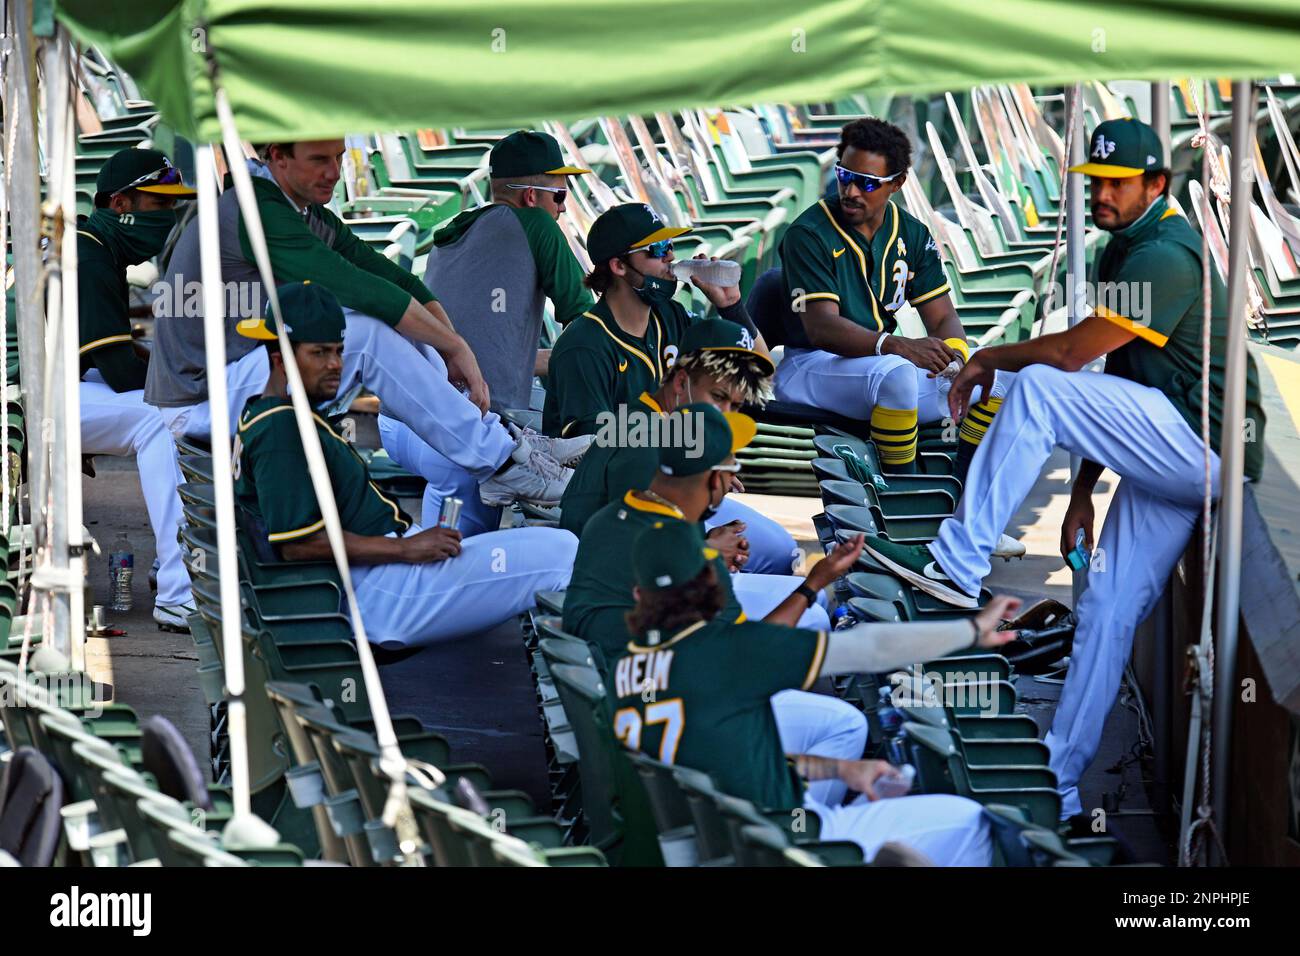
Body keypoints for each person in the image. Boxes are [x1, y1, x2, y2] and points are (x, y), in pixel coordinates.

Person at [860, 118, 1267, 825]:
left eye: (1116, 183)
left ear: (1156, 185)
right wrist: (1082, 491)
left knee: (1041, 386)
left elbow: (1074, 357)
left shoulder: (1167, 253)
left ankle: (956, 563)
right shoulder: (1126, 247)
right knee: (1106, 610)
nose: (1101, 195)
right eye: (1094, 182)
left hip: (1206, 448)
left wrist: (989, 356)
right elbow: (1116, 370)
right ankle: (1059, 782)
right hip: (1168, 455)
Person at [146, 139, 569, 510]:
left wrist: (451, 343)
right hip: (199, 396)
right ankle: (500, 461)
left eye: (338, 157)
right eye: (319, 160)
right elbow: (355, 287)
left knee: (401, 327)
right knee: (365, 334)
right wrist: (457, 349)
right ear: (278, 157)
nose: (334, 172)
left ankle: (507, 447)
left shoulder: (299, 209)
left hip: (245, 374)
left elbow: (389, 275)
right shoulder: (257, 209)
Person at [614, 520, 1018, 865]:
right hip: (786, 842)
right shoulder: (724, 653)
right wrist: (969, 630)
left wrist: (842, 770)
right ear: (709, 585)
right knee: (969, 820)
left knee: (857, 776)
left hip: (738, 836)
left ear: (637, 594)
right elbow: (869, 648)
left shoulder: (627, 669)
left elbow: (724, 752)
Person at [232, 282, 577, 649]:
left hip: (384, 575)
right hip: (379, 595)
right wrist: (407, 549)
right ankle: (601, 689)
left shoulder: (265, 411)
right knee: (565, 553)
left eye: (338, 351)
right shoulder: (281, 427)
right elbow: (298, 545)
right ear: (279, 357)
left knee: (557, 546)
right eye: (319, 353)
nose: (335, 365)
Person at [564, 403, 864, 805]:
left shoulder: (608, 519)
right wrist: (815, 583)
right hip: (671, 715)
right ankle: (797, 836)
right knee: (845, 725)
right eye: (731, 468)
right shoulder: (687, 552)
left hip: (614, 694)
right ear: (717, 479)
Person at [380, 130, 595, 534]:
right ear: (531, 196)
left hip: (400, 424)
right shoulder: (536, 224)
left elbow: (485, 349)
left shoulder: (450, 234)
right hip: (461, 434)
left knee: (443, 535)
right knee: (469, 559)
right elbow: (590, 328)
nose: (563, 209)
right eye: (560, 196)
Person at [776, 118, 1007, 481]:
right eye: (844, 175)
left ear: (897, 184)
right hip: (811, 366)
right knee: (897, 374)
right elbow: (820, 327)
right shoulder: (808, 233)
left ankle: (967, 504)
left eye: (867, 183)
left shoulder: (911, 233)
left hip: (875, 368)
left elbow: (943, 316)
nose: (851, 191)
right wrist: (895, 345)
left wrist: (957, 357)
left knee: (995, 372)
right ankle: (902, 499)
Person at [559, 318, 799, 574]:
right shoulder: (647, 441)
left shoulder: (667, 422)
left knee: (782, 551)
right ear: (681, 383)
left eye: (736, 405)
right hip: (612, 591)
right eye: (718, 397)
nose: (726, 415)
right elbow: (630, 557)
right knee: (810, 601)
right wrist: (708, 549)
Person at [77, 147, 195, 631]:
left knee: (178, 407)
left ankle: (179, 554)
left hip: (59, 385)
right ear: (122, 204)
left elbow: (117, 358)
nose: (168, 217)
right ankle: (178, 591)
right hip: (24, 401)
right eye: (158, 204)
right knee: (159, 421)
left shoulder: (95, 244)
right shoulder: (87, 253)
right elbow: (122, 372)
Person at [541, 202, 760, 439]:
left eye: (670, 245)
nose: (671, 256)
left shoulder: (670, 316)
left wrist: (731, 306)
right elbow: (592, 454)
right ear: (619, 266)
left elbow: (760, 370)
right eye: (657, 248)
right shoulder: (584, 347)